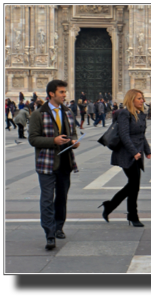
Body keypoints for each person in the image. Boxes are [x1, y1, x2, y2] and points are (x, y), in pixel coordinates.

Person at [28, 80, 80, 250]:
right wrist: (53, 140)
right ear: (52, 94)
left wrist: (74, 141)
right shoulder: (38, 114)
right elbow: (33, 139)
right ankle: (49, 233)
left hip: (65, 161)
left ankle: (58, 226)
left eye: (65, 92)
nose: (65, 95)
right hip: (47, 163)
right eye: (62, 92)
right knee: (47, 198)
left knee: (62, 197)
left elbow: (72, 133)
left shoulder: (68, 112)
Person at [98, 89, 151, 227]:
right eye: (139, 98)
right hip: (126, 153)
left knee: (134, 185)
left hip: (137, 153)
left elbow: (141, 134)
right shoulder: (124, 114)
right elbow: (124, 135)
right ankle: (129, 214)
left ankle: (113, 207)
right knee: (134, 185)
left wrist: (147, 150)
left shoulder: (140, 115)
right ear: (131, 99)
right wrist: (134, 152)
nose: (142, 100)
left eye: (142, 98)